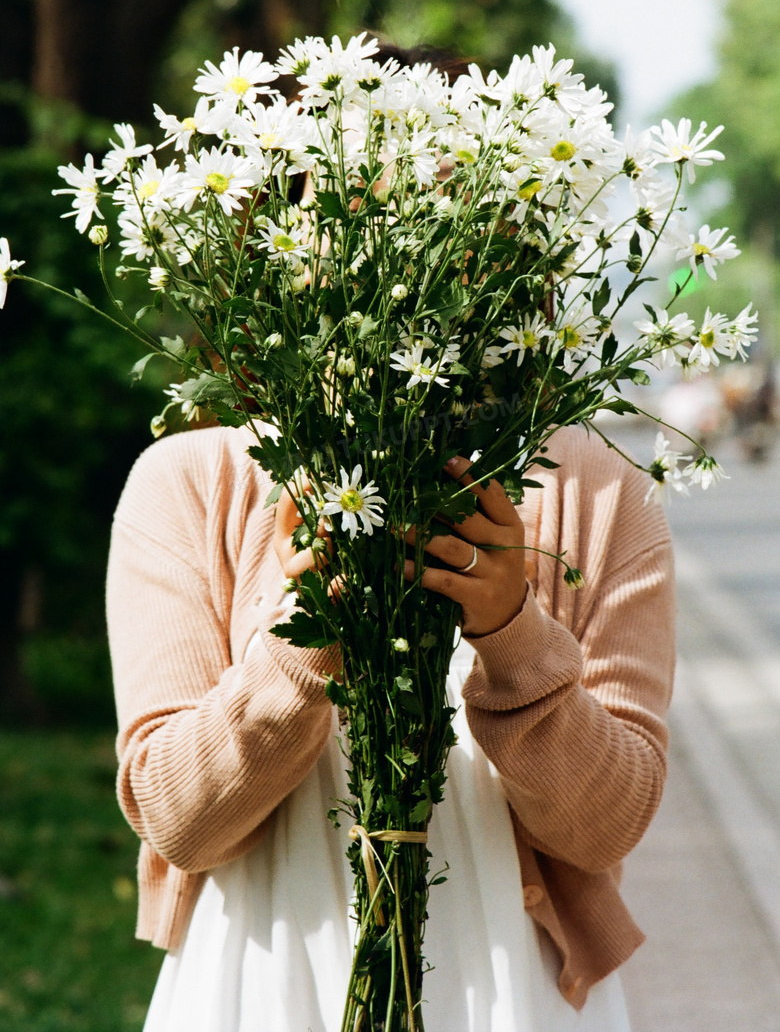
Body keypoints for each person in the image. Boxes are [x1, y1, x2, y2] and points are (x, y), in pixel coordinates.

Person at [107, 412, 675, 1032]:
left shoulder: (600, 489)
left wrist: (515, 633)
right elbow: (177, 820)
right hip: (268, 980)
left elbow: (605, 830)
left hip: (510, 989)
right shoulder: (189, 479)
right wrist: (311, 634)